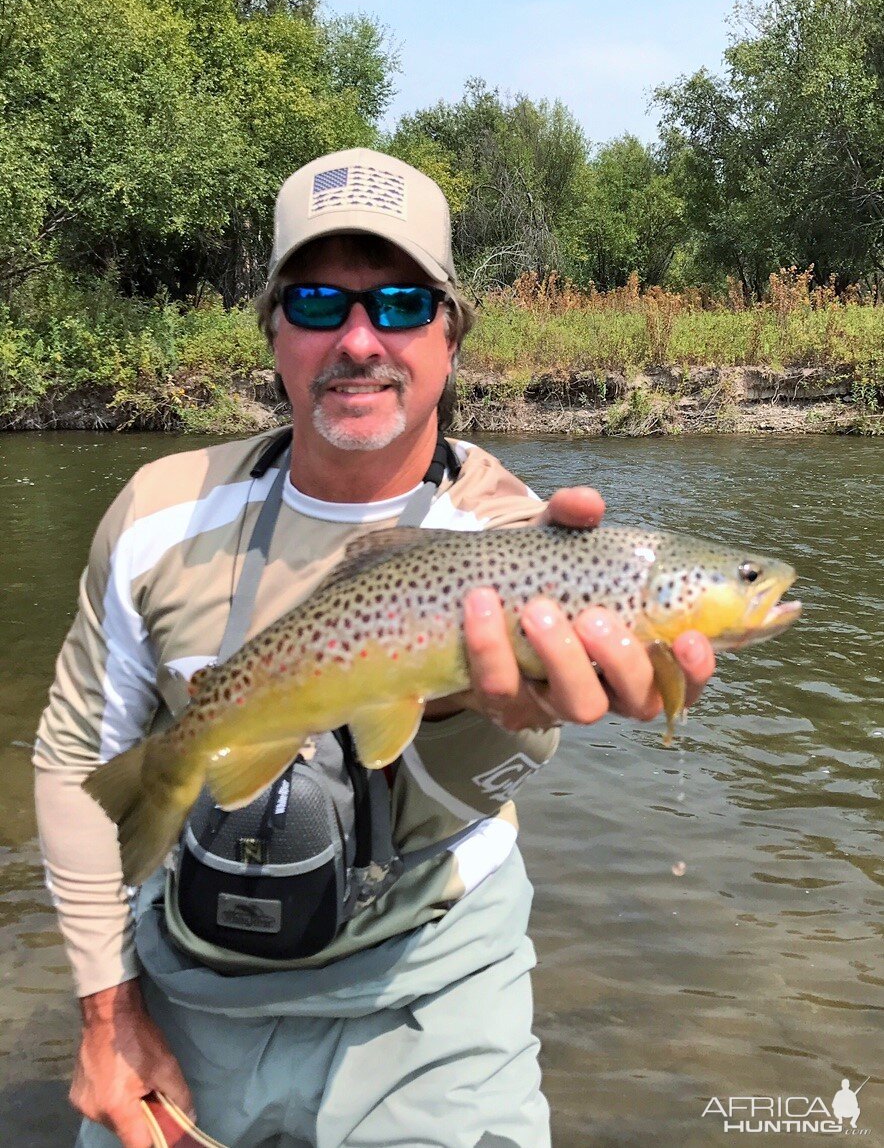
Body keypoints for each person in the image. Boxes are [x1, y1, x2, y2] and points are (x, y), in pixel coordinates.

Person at [34, 147, 715, 1148]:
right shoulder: (157, 514)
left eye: (398, 304)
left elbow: (476, 783)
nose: (359, 339)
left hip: (432, 988)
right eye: (317, 302)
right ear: (273, 330)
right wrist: (103, 1010)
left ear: (449, 336)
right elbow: (74, 760)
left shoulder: (524, 546)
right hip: (189, 984)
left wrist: (459, 709)